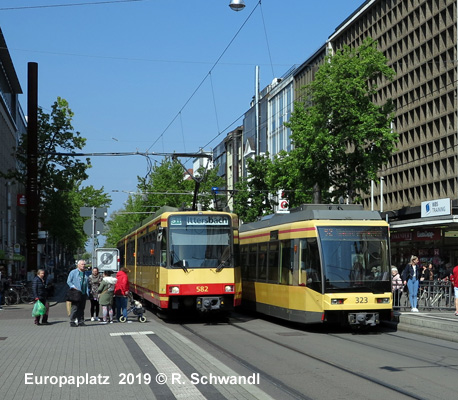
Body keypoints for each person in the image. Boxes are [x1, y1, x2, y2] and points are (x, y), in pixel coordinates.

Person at [67, 260, 90, 327]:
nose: (83, 266)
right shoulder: (73, 272)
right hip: (76, 293)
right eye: (82, 264)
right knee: (75, 307)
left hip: (83, 292)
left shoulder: (85, 273)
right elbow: (69, 281)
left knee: (82, 308)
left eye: (84, 264)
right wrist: (73, 287)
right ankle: (72, 321)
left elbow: (87, 282)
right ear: (78, 265)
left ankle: (81, 321)